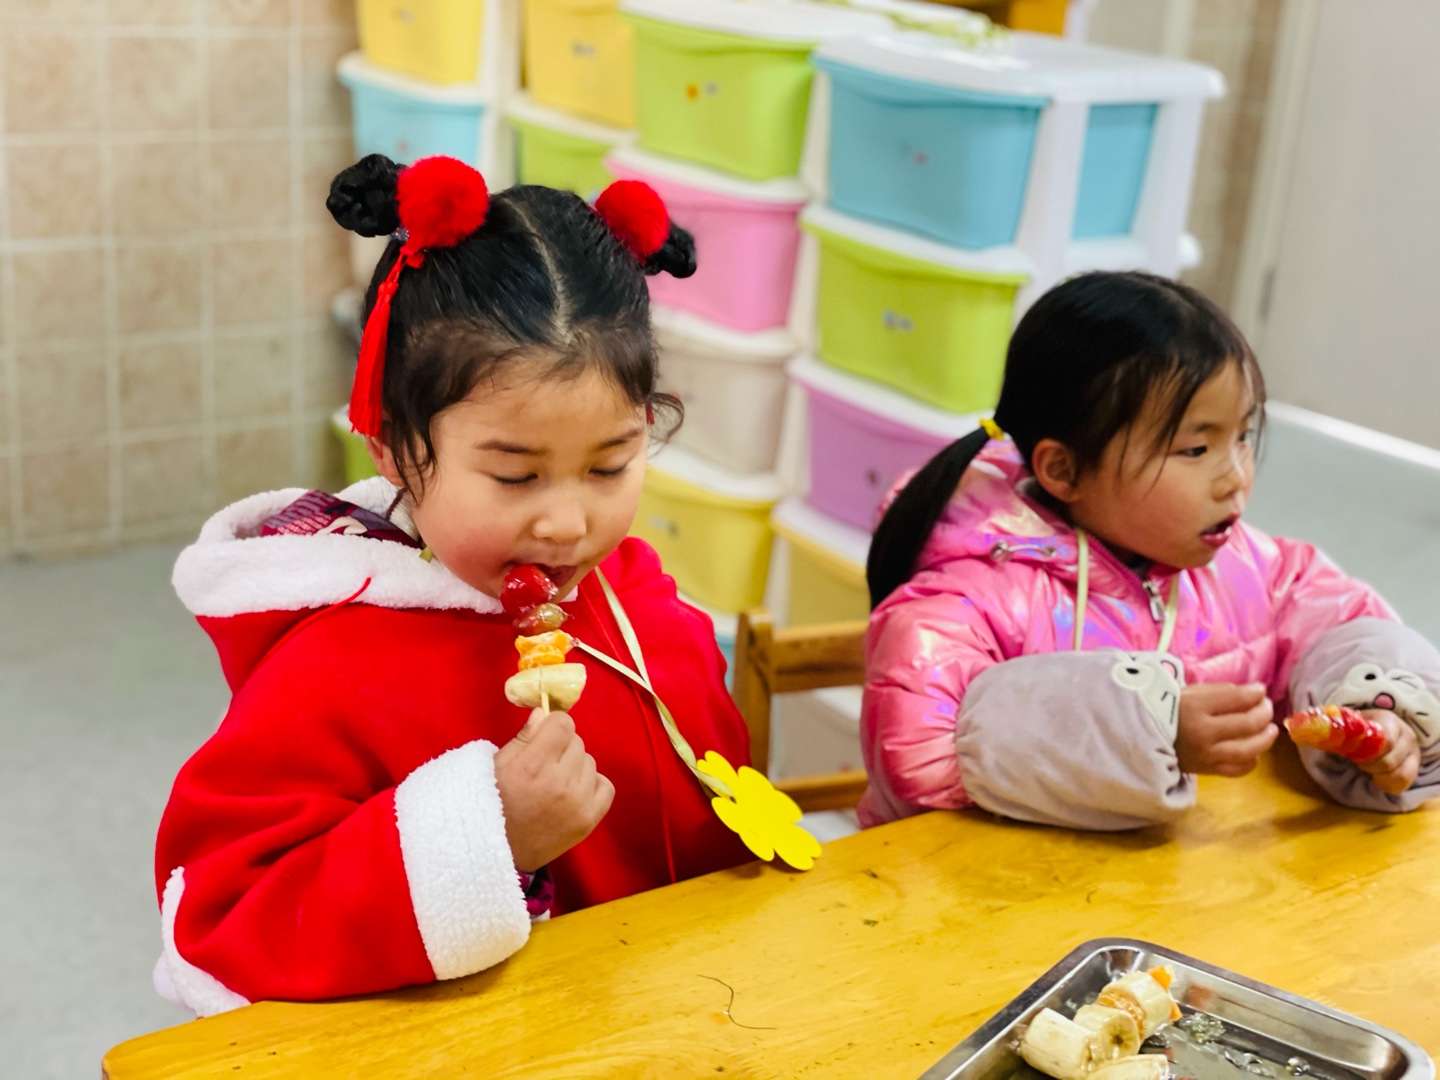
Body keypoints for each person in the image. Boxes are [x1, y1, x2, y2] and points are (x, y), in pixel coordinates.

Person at [152, 155, 753, 1015]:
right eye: (515, 476)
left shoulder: (635, 599)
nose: (566, 524)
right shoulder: (329, 662)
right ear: (394, 448)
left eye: (609, 465)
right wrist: (490, 837)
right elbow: (224, 915)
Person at [860, 271, 1440, 831]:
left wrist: (1381, 709)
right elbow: (920, 757)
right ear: (1063, 470)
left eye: (1241, 436)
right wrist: (1146, 732)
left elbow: (1340, 622)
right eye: (1195, 450)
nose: (1235, 477)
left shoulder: (1249, 567)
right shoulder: (961, 605)